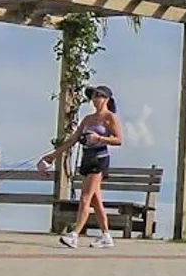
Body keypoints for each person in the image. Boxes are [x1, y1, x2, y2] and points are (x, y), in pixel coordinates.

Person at [38, 85, 123, 249]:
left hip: (100, 159)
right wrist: (51, 157)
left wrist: (99, 138)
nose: (95, 99)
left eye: (98, 96)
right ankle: (106, 236)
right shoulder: (88, 119)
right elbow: (73, 140)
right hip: (87, 158)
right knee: (96, 201)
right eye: (93, 96)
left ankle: (74, 234)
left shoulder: (110, 117)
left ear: (106, 99)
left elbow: (118, 140)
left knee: (85, 197)